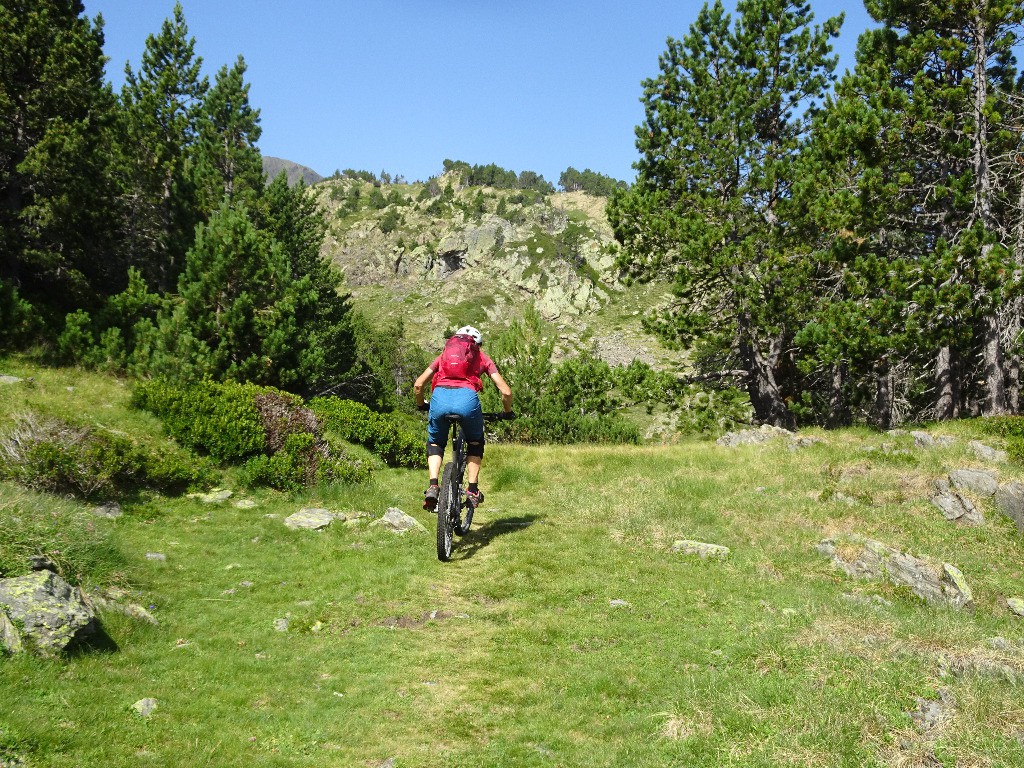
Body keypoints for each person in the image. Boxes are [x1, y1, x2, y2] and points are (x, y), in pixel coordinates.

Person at [413, 325, 513, 511]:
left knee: (435, 443)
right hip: (467, 401)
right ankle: (472, 490)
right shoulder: (482, 357)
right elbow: (506, 391)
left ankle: (433, 485)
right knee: (475, 442)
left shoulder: (443, 356)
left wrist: (421, 405)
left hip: (439, 399)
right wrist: (506, 412)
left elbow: (418, 385)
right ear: (478, 344)